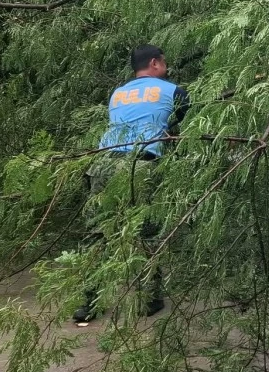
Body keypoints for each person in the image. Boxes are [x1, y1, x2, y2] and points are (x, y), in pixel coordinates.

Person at [73, 44, 190, 324]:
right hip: (141, 164)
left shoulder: (117, 93)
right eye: (165, 62)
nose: (167, 67)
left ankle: (90, 302)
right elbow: (178, 121)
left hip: (103, 164)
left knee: (97, 235)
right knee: (148, 232)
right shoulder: (173, 90)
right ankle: (150, 298)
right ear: (154, 63)